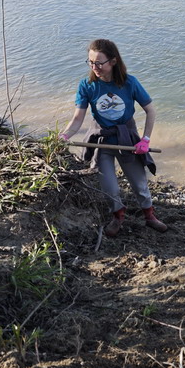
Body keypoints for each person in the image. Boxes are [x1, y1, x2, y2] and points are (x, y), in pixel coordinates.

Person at [59, 39, 168, 237]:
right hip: (102, 141)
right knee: (109, 187)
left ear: (113, 61)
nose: (94, 67)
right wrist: (64, 136)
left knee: (139, 184)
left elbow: (150, 110)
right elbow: (78, 118)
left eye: (99, 63)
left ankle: (150, 216)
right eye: (91, 62)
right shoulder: (87, 85)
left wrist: (145, 139)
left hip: (127, 139)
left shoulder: (129, 83)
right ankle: (117, 216)